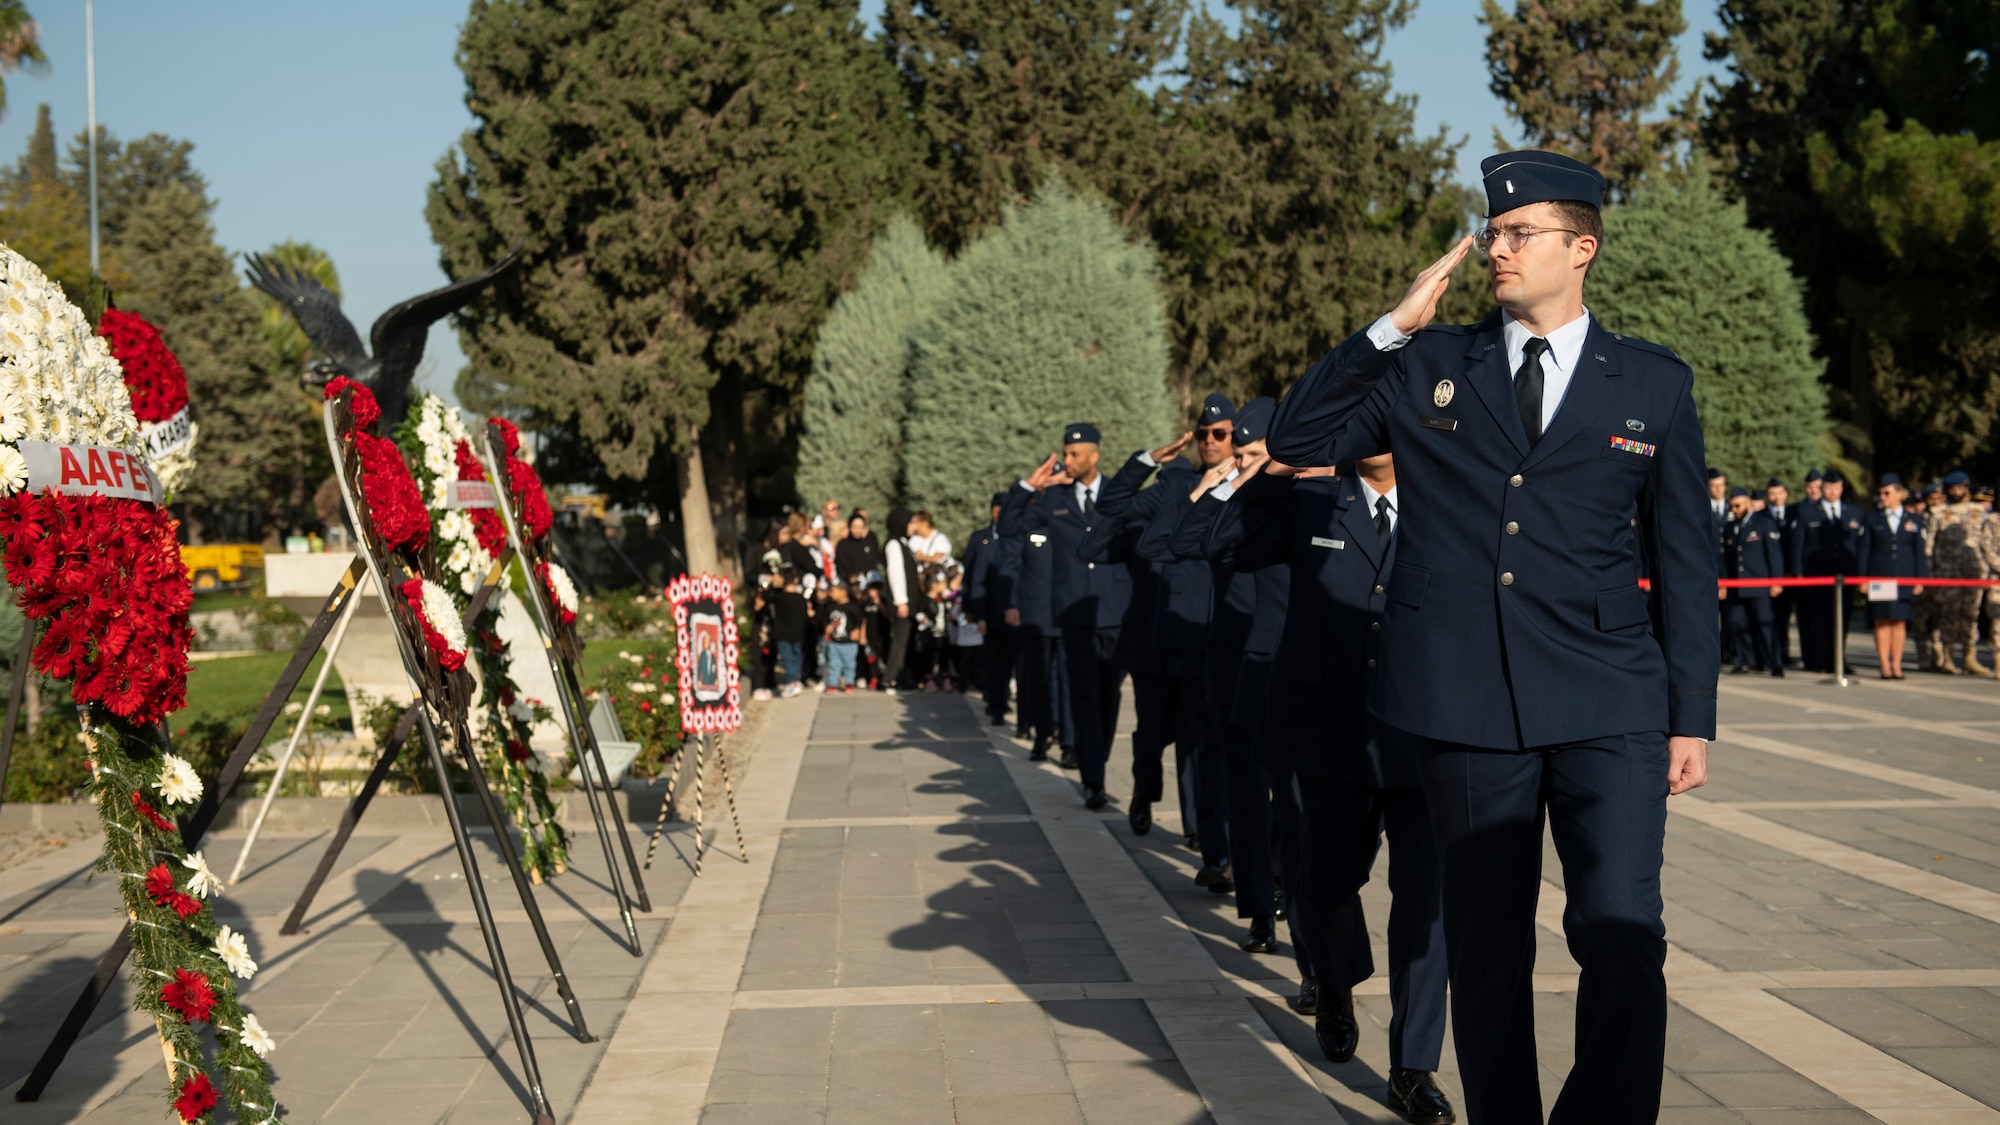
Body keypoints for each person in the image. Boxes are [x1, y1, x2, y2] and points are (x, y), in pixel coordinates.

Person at [1268, 149, 1717, 1125]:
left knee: (1621, 929)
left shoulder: (1650, 382)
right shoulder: (1428, 365)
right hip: (1461, 700)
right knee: (1485, 942)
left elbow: (1683, 560)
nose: (1494, 248)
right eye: (1492, 230)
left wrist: (1691, 715)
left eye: (1518, 233)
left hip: (1609, 695)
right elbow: (1297, 442)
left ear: (1580, 247)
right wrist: (1388, 328)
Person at [1165, 398, 1302, 956]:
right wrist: (1225, 485)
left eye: (1253, 453)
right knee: (1247, 793)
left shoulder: (1304, 497)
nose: (1242, 461)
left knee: (1292, 800)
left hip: (1290, 665)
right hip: (1235, 664)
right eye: (1238, 452)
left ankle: (1284, 884)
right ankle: (1259, 909)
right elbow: (1182, 543)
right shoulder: (1236, 499)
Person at [1121, 394, 1241, 887]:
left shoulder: (1269, 484)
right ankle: (1212, 850)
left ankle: (1250, 855)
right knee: (1197, 745)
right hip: (1190, 639)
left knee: (1239, 757)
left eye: (1221, 434)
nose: (1210, 442)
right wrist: (1190, 487)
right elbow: (1137, 530)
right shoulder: (1181, 486)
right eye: (1203, 434)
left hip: (1249, 640)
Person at [1002, 425, 1133, 810]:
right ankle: (1093, 780)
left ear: (1094, 455)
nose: (1068, 461)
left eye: (1075, 454)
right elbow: (1009, 527)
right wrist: (1028, 487)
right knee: (1084, 698)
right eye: (1066, 454)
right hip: (1073, 615)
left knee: (1108, 699)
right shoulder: (1053, 498)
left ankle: (1098, 760)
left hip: (1113, 613)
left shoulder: (1118, 493)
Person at [1793, 469, 1862, 674]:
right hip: (1817, 575)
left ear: (1841, 488)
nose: (1832, 492)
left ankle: (1839, 659)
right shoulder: (1807, 512)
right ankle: (1822, 659)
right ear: (1822, 488)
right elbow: (1799, 545)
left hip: (1845, 575)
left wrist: (1859, 574)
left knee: (1843, 619)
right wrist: (1798, 572)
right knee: (1820, 619)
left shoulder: (1854, 512)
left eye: (1836, 487)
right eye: (1828, 488)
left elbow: (1859, 546)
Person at [1859, 474, 1926, 679]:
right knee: (1882, 620)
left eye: (1887, 492)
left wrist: (1919, 578)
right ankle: (1884, 665)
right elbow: (1864, 551)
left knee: (1899, 621)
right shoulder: (1872, 519)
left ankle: (1897, 664)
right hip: (1880, 575)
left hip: (1904, 576)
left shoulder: (1913, 520)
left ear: (1899, 494)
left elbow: (1919, 552)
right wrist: (1862, 578)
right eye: (1880, 493)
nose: (1883, 496)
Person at [1927, 471, 1990, 675]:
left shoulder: (1978, 511)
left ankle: (1969, 658)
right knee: (1949, 615)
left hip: (1974, 572)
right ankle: (1948, 657)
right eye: (1953, 488)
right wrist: (1930, 574)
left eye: (1960, 487)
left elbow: (1985, 542)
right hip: (1948, 574)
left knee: (1971, 615)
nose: (1956, 491)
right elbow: (1930, 547)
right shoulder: (1938, 513)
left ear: (1966, 488)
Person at [963, 494, 1017, 726]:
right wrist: (974, 610)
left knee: (1011, 661)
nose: (998, 513)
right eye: (995, 508)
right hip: (990, 609)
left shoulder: (1016, 536)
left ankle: (1003, 698)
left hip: (1014, 611)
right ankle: (996, 703)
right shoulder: (981, 539)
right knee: (994, 660)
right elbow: (972, 576)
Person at [1721, 487, 1784, 676]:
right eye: (1731, 506)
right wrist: (1724, 583)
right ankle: (1747, 660)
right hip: (1737, 586)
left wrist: (1776, 581)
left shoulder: (1764, 524)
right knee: (1739, 624)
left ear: (1748, 504)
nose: (1734, 509)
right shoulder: (1729, 527)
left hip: (1758, 584)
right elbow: (1726, 560)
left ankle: (1775, 663)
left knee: (1765, 625)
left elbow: (1774, 555)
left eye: (1738, 505)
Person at [881, 509, 923, 691]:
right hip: (902, 601)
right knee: (899, 640)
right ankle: (890, 678)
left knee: (905, 640)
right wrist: (901, 601)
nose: (914, 527)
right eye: (911, 522)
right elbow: (896, 573)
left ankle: (901, 676)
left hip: (909, 601)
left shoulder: (904, 543)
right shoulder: (894, 544)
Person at [762, 565, 812, 698]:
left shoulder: (780, 598)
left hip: (783, 634)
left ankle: (791, 683)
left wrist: (771, 584)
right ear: (796, 580)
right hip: (798, 634)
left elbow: (765, 596)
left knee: (788, 659)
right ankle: (796, 680)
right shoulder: (801, 599)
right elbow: (805, 617)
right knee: (795, 658)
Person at [1764, 478, 1797, 668]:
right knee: (1769, 618)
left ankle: (1784, 653)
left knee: (1785, 618)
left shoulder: (1794, 514)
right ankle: (1771, 655)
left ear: (1786, 494)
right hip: (1767, 577)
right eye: (1772, 493)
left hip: (1789, 575)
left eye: (1779, 493)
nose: (1776, 497)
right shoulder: (1761, 516)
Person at [821, 582, 863, 693]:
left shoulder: (853, 607)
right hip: (834, 643)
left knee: (849, 664)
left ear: (843, 592)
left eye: (833, 591)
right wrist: (827, 627)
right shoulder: (830, 607)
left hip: (849, 643)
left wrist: (857, 630)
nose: (830, 594)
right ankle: (832, 683)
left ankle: (849, 683)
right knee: (834, 664)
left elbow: (860, 620)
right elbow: (825, 620)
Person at [835, 512, 884, 584]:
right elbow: (842, 568)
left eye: (860, 527)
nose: (857, 530)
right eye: (854, 527)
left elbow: (875, 560)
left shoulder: (869, 541)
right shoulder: (843, 545)